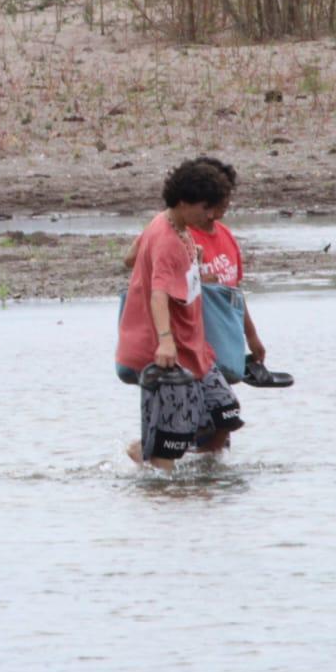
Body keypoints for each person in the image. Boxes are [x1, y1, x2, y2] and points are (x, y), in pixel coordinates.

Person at [117, 159, 244, 470]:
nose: (213, 215)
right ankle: (152, 461)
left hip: (194, 347)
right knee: (169, 444)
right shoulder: (166, 239)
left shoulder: (174, 226)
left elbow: (129, 258)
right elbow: (158, 293)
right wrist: (164, 340)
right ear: (185, 202)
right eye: (207, 208)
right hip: (164, 352)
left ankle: (206, 474)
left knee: (223, 414)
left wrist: (191, 258)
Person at [124, 155, 290, 387]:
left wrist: (251, 336)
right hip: (182, 349)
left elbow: (234, 293)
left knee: (224, 417)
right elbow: (136, 262)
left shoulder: (223, 236)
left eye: (223, 200)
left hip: (209, 351)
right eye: (212, 203)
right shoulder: (171, 231)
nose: (217, 210)